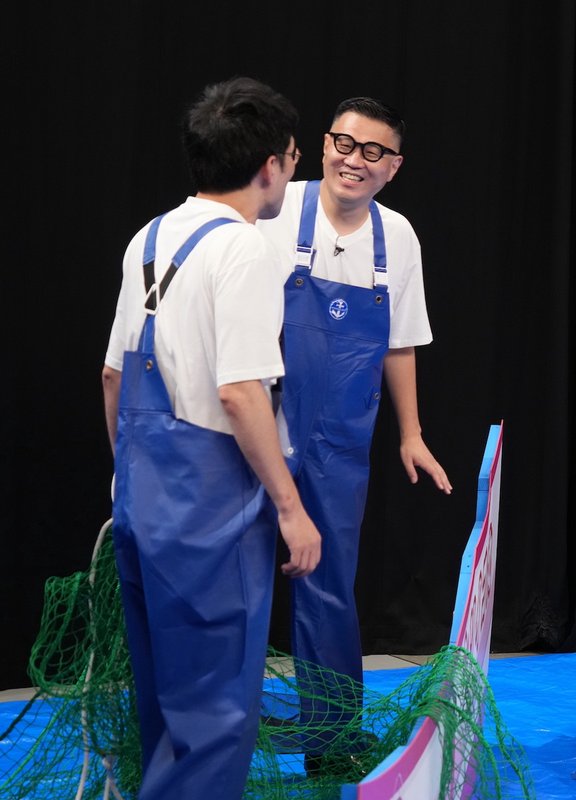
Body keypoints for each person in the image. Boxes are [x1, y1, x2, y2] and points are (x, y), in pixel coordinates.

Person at [101, 77, 321, 798]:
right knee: (216, 716)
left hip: (141, 499)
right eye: (294, 155)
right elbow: (239, 392)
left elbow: (112, 377)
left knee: (165, 706)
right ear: (271, 166)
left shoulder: (148, 237)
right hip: (210, 515)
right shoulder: (244, 250)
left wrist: (130, 477)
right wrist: (290, 508)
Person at [256, 96, 451, 772]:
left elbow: (400, 342)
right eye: (345, 144)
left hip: (338, 442)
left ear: (393, 166)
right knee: (237, 579)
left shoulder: (398, 238)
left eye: (373, 152)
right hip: (257, 427)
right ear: (324, 144)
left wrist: (410, 433)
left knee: (329, 582)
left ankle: (332, 741)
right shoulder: (275, 211)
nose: (354, 160)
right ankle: (214, 733)